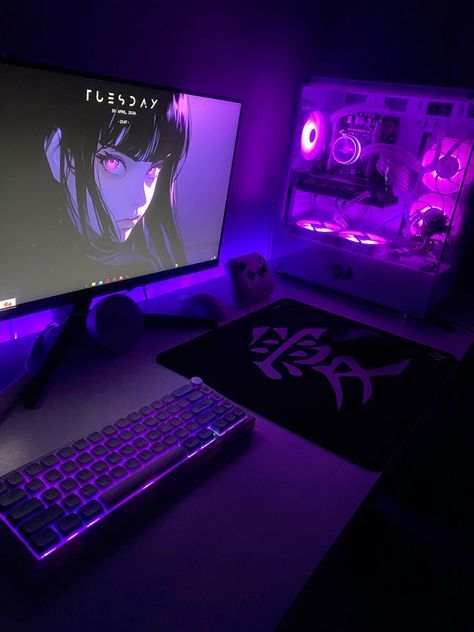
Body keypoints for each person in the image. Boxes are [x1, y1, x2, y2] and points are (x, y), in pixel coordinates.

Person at [42, 89, 191, 275]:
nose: (141, 198)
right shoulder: (29, 270)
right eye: (113, 163)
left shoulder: (144, 264)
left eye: (153, 170)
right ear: (58, 154)